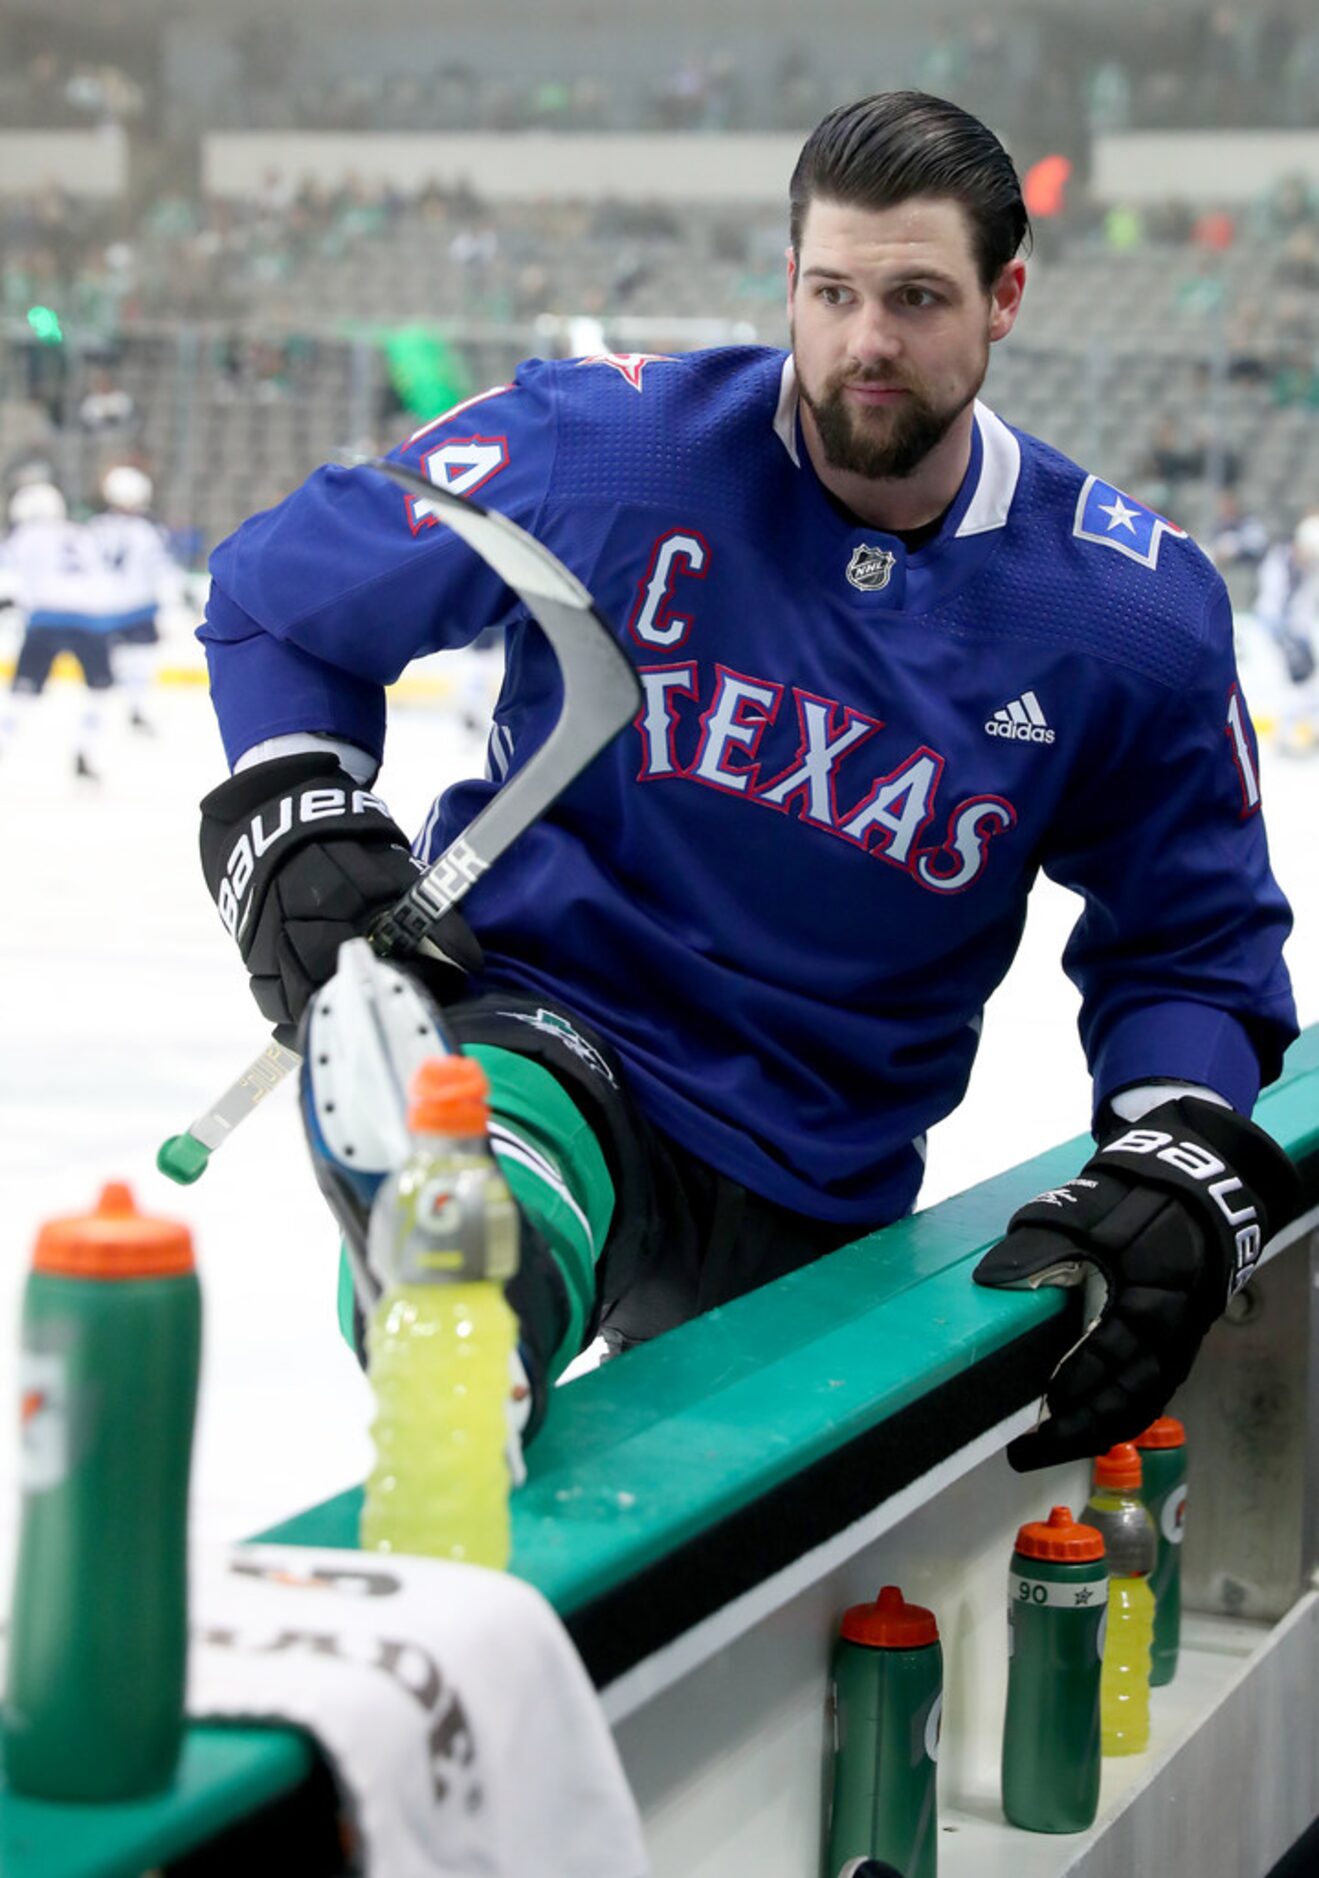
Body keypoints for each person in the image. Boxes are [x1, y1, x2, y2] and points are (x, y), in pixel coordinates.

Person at [196, 91, 1300, 1474]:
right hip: (560, 1027)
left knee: (758, 1585)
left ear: (1003, 296)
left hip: (828, 1169)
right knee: (496, 1201)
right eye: (830, 291)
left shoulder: (1129, 613)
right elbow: (276, 596)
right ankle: (451, 1267)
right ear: (786, 277)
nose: (864, 343)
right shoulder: (609, 447)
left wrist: (1170, 1152)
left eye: (913, 297)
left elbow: (1192, 944)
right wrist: (293, 810)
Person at [0, 481, 118, 781]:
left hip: (46, 619)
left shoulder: (26, 535)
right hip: (91, 622)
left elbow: (9, 574)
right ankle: (86, 752)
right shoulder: (82, 534)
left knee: (22, 692)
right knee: (99, 691)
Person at [87, 463, 183, 733]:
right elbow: (162, 569)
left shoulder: (93, 527)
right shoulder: (148, 530)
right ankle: (136, 710)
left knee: (102, 672)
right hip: (139, 609)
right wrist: (174, 602)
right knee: (140, 662)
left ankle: (96, 720)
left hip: (103, 610)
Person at [1252, 511, 1319, 757]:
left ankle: (1305, 727)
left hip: (1295, 627)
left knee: (1307, 680)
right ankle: (1285, 732)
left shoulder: (1307, 565)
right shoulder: (1282, 560)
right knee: (1295, 681)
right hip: (1280, 625)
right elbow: (1276, 599)